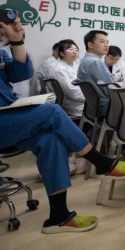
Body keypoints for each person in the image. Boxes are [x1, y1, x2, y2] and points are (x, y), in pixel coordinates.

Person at [0, 0, 125, 234]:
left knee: (50, 139)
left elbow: (20, 73)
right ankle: (101, 162)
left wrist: (17, 40)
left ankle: (59, 216)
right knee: (52, 111)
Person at [50, 39, 88, 175]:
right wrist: (92, 96)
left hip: (80, 101)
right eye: (70, 49)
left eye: (76, 49)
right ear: (61, 53)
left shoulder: (75, 66)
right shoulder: (59, 69)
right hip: (75, 105)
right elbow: (73, 92)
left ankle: (89, 152)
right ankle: (87, 153)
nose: (74, 52)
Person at [76, 30, 113, 119]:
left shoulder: (85, 60)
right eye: (102, 42)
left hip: (93, 108)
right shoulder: (95, 62)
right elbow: (111, 90)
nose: (107, 45)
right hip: (107, 107)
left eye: (107, 42)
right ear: (90, 45)